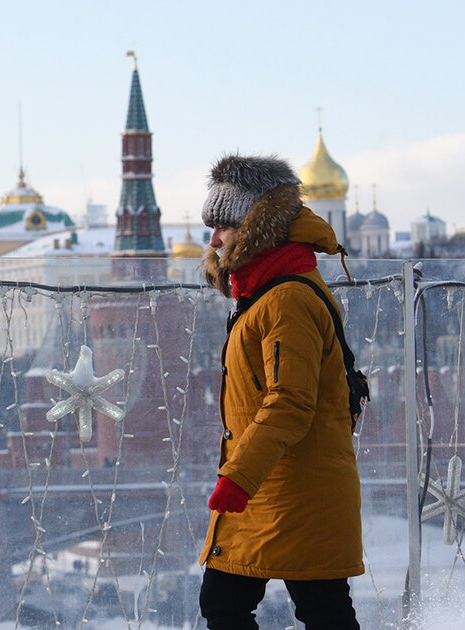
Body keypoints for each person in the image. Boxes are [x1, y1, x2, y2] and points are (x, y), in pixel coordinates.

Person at [197, 154, 363, 629]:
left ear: (253, 227)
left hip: (293, 487)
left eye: (223, 226)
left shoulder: (285, 298)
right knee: (311, 609)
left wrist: (238, 478)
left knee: (310, 609)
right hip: (273, 485)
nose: (213, 240)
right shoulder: (264, 292)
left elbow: (289, 401)